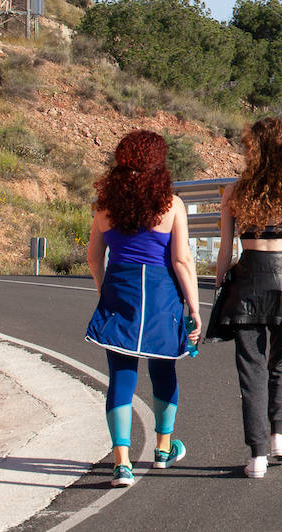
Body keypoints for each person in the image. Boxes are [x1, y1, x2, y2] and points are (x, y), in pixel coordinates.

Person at [85, 130, 202, 488]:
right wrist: (195, 309)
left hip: (121, 289)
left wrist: (106, 290)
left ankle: (122, 462)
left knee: (121, 375)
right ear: (158, 164)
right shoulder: (172, 204)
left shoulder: (105, 206)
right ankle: (163, 449)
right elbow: (181, 260)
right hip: (160, 295)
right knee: (164, 369)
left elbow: (93, 255)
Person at [207, 117, 282, 479]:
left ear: (252, 148)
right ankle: (279, 437)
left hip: (247, 283)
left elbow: (225, 252)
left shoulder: (235, 192)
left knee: (250, 369)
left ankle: (256, 456)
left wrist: (219, 286)